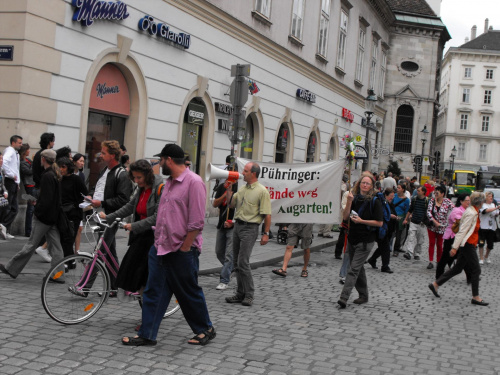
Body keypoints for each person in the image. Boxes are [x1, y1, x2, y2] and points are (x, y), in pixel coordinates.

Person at [122, 144, 215, 347]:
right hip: (161, 247)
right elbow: (162, 215)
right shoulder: (168, 183)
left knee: (187, 292)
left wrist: (185, 248)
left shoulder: (194, 183)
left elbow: (197, 222)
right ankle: (147, 334)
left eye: (161, 160)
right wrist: (157, 243)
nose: (159, 164)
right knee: (153, 292)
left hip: (182, 250)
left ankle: (205, 329)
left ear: (169, 160)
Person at [100, 160, 163, 299]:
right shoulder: (141, 188)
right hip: (140, 235)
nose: (136, 180)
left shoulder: (159, 188)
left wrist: (134, 226)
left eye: (139, 177)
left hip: (153, 236)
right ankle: (143, 299)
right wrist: (109, 217)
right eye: (134, 177)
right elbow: (130, 206)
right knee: (130, 269)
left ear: (147, 175)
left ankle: (149, 304)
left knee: (140, 272)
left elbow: (157, 217)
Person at [0, 149, 65, 280]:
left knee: (30, 245)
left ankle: (11, 268)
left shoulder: (47, 176)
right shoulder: (55, 174)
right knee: (56, 247)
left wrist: (37, 211)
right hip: (52, 217)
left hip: (44, 217)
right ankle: (59, 275)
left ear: (43, 159)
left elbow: (46, 199)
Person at [89, 140, 133, 294]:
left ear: (113, 155)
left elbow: (123, 200)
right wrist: (91, 196)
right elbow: (99, 188)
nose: (101, 155)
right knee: (109, 251)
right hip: (99, 213)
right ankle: (116, 287)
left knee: (100, 251)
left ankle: (85, 286)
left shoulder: (121, 174)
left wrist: (101, 202)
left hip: (111, 216)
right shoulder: (105, 170)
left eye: (104, 153)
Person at [429, 192, 488, 306]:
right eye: (483, 201)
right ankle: (475, 297)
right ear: (480, 202)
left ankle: (436, 284)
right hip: (467, 244)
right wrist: (455, 247)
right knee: (476, 269)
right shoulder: (471, 213)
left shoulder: (474, 211)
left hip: (470, 243)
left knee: (457, 268)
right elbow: (462, 231)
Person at [225, 161, 272, 307]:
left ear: (253, 173)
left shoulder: (262, 191)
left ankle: (249, 294)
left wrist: (266, 233)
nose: (242, 173)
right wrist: (228, 190)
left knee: (243, 262)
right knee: (236, 262)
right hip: (238, 227)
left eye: (245, 171)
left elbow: (267, 215)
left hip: (250, 229)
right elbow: (230, 204)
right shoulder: (243, 189)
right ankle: (240, 293)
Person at [337, 172, 383, 309]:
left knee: (353, 269)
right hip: (352, 238)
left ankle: (344, 297)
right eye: (363, 182)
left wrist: (362, 221)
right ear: (359, 184)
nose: (365, 185)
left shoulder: (375, 201)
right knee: (359, 267)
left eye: (368, 183)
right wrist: (349, 202)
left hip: (366, 240)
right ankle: (363, 295)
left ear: (371, 186)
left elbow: (379, 223)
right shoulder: (355, 198)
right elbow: (345, 217)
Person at [57, 157, 88, 261]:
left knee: (69, 238)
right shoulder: (59, 179)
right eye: (59, 167)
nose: (61, 169)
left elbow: (85, 193)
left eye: (63, 167)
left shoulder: (76, 179)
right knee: (63, 238)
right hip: (62, 212)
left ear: (68, 167)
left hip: (74, 213)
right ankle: (70, 261)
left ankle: (68, 261)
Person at [212, 168, 238, 290]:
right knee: (219, 252)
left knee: (229, 254)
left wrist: (233, 222)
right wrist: (225, 193)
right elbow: (215, 204)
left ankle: (224, 280)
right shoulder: (222, 186)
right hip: (221, 225)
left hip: (233, 225)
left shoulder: (240, 188)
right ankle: (233, 269)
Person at [436, 193, 470, 279]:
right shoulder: (457, 210)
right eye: (467, 200)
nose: (469, 202)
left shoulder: (468, 211)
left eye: (470, 200)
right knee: (445, 256)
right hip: (452, 236)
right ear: (461, 201)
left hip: (461, 237)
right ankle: (439, 275)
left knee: (464, 256)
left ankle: (470, 276)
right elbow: (459, 222)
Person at [366, 188, 398, 273]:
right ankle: (385, 266)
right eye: (391, 196)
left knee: (382, 247)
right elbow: (382, 215)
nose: (392, 198)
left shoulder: (387, 202)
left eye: (393, 196)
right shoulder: (381, 202)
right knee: (386, 248)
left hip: (385, 228)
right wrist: (389, 216)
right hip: (380, 228)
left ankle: (372, 260)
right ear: (386, 195)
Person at [425, 185, 453, 269]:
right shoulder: (432, 201)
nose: (436, 194)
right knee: (432, 243)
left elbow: (454, 210)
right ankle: (430, 261)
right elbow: (428, 212)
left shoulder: (447, 202)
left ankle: (439, 261)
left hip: (442, 226)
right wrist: (434, 221)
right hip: (432, 226)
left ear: (442, 194)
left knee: (440, 244)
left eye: (437, 192)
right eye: (435, 192)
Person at [2, 135, 23, 238]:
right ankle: (4, 226)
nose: (21, 145)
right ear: (13, 143)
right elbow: (4, 163)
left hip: (14, 183)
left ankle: (5, 228)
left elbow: (15, 168)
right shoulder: (10, 151)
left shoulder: (15, 153)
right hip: (10, 182)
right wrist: (11, 175)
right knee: (10, 207)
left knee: (13, 207)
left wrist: (17, 182)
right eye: (19, 143)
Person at [403, 186, 428, 261]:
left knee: (420, 240)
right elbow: (410, 210)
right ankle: (409, 253)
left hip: (422, 223)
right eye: (417, 190)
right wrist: (406, 219)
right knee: (411, 237)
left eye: (419, 191)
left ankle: (417, 253)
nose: (417, 192)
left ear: (423, 192)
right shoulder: (414, 199)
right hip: (413, 221)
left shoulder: (427, 201)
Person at [478, 191, 500, 265]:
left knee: (490, 244)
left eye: (492, 196)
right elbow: (485, 211)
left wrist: (497, 212)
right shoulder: (482, 205)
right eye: (490, 196)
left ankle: (486, 256)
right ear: (486, 197)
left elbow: (496, 213)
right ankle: (481, 258)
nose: (491, 198)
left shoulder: (493, 204)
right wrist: (496, 208)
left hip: (491, 227)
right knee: (481, 243)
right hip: (483, 227)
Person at [19, 144, 35, 237]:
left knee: (32, 207)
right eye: (28, 150)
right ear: (25, 151)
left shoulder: (28, 160)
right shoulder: (22, 162)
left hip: (33, 184)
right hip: (29, 184)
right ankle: (28, 231)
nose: (29, 151)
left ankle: (30, 229)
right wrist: (34, 164)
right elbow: (29, 172)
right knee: (30, 208)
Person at [392, 183, 410, 256]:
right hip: (392, 216)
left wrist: (406, 219)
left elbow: (407, 211)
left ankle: (396, 249)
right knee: (390, 232)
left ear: (403, 189)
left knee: (399, 234)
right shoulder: (394, 196)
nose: (397, 189)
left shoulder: (406, 200)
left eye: (399, 188)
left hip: (401, 217)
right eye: (397, 187)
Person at [0, 152, 8, 239]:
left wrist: (5, 192)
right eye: (0, 159)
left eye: (2, 159)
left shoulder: (2, 170)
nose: (1, 161)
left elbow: (3, 184)